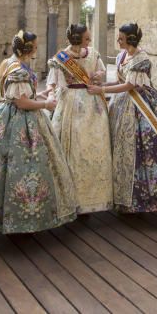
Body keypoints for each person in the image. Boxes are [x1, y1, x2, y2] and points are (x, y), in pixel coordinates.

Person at [0, 30, 77, 233]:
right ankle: (21, 218)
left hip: (6, 115)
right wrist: (45, 104)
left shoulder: (12, 64)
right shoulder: (19, 71)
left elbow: (21, 94)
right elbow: (21, 101)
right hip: (19, 122)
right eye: (36, 46)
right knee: (24, 166)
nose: (37, 48)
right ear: (30, 49)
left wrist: (39, 94)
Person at [89, 23, 157, 212]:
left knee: (144, 148)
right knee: (121, 148)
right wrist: (102, 82)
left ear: (130, 39)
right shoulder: (122, 55)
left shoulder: (142, 59)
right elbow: (120, 81)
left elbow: (129, 86)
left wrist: (101, 90)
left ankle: (144, 198)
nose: (118, 40)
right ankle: (121, 195)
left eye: (121, 38)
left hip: (141, 106)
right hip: (122, 105)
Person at [47, 24, 113, 214]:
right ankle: (71, 197)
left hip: (93, 105)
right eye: (86, 39)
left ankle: (93, 198)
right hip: (70, 105)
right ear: (76, 39)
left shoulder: (93, 53)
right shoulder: (61, 59)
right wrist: (51, 94)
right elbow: (52, 82)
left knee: (94, 147)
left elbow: (101, 72)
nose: (89, 42)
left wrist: (97, 75)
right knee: (73, 148)